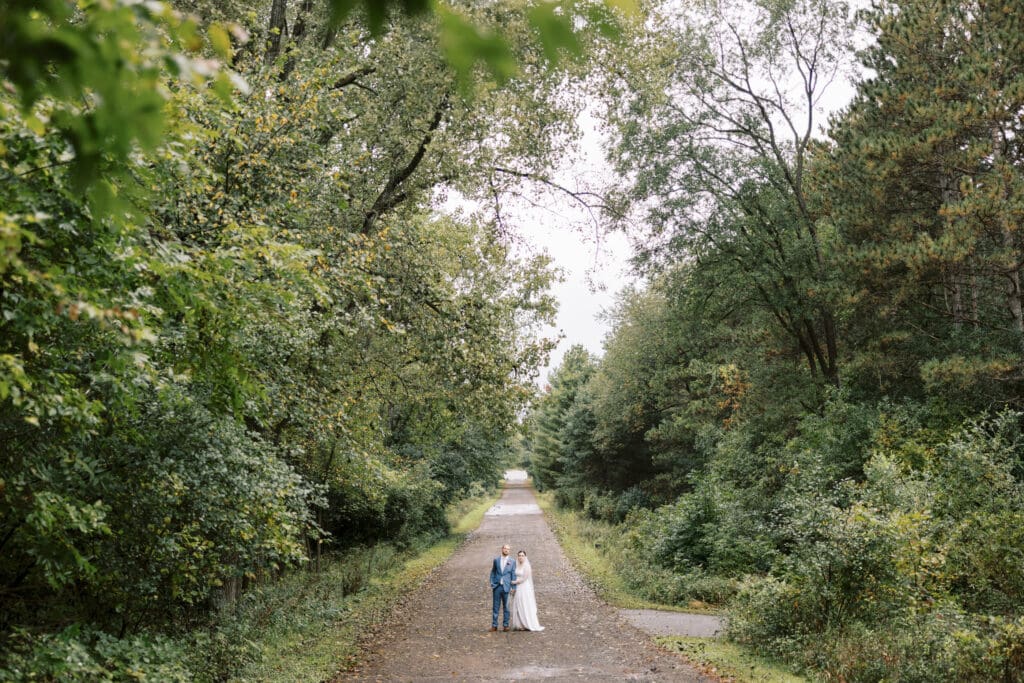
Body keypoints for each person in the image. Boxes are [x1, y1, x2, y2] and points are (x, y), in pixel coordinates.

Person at [510, 549, 544, 631]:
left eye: (522, 555)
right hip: (517, 588)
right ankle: (520, 624)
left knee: (524, 604)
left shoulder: (527, 566)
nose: (521, 557)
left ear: (525, 557)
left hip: (524, 587)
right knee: (518, 604)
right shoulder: (516, 565)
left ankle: (527, 623)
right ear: (517, 557)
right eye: (519, 555)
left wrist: (514, 582)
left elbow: (524, 579)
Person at [488, 543, 516, 632]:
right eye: (505, 548)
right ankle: (494, 625)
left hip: (507, 587)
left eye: (508, 549)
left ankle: (506, 625)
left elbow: (513, 575)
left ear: (509, 551)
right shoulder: (496, 560)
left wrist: (513, 587)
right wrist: (492, 583)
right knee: (495, 607)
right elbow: (493, 572)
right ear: (502, 549)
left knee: (506, 607)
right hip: (497, 587)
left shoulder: (512, 561)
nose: (506, 550)